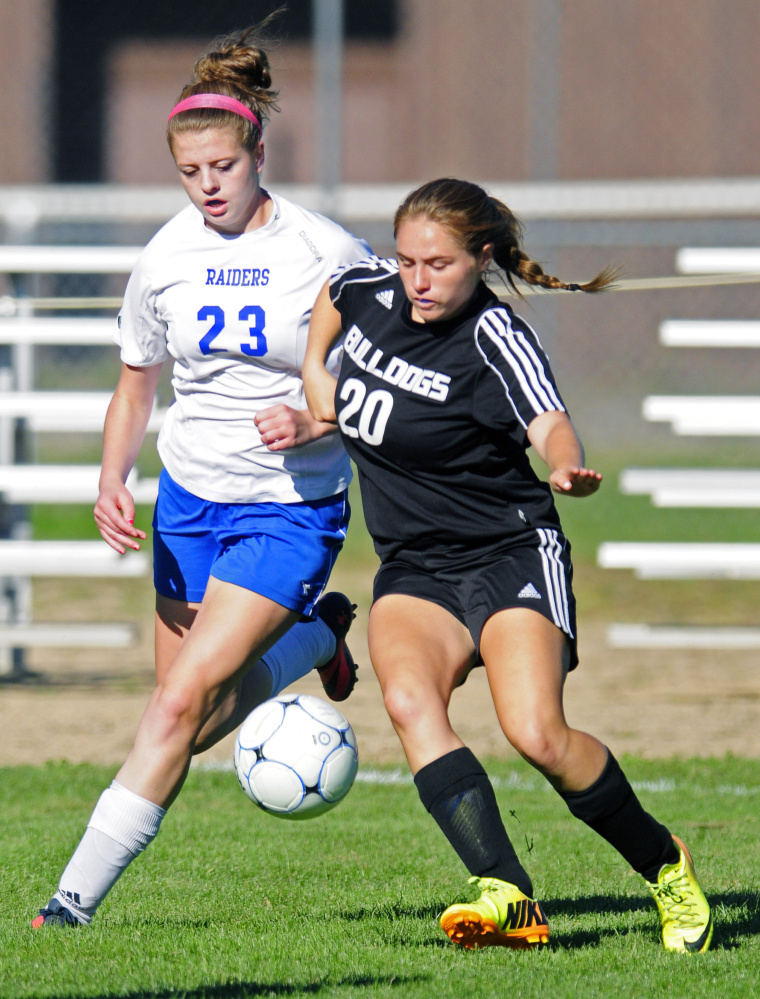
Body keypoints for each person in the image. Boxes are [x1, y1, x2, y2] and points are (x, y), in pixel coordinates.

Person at [302, 178, 713, 954]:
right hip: (416, 564)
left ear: (480, 258)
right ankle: (506, 890)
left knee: (537, 733)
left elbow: (550, 419)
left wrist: (565, 464)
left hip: (509, 551)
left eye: (438, 265)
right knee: (409, 700)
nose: (417, 280)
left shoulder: (495, 336)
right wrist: (313, 372)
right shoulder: (371, 289)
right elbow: (334, 292)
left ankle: (664, 863)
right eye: (407, 260)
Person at [32, 22, 371, 929]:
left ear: (259, 153)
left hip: (288, 506)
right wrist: (112, 477)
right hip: (188, 500)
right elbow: (136, 385)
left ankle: (68, 905)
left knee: (179, 705)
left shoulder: (326, 253)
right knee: (186, 712)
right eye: (190, 172)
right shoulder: (165, 257)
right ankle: (315, 640)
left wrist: (316, 418)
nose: (209, 185)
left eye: (223, 166)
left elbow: (386, 378)